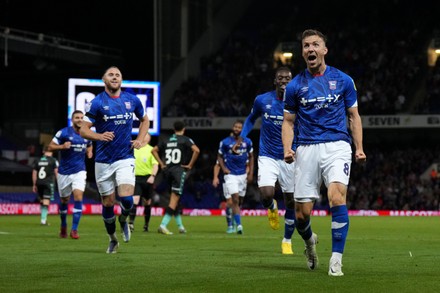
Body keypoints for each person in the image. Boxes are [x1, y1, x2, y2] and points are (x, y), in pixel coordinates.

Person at [282, 29, 366, 276]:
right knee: (301, 216)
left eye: (315, 44)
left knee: (337, 197)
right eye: (306, 45)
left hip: (337, 145)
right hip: (306, 148)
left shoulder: (343, 80)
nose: (310, 49)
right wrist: (288, 148)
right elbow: (288, 122)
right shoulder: (295, 85)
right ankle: (310, 242)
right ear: (302, 52)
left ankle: (336, 259)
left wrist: (359, 148)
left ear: (324, 50)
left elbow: (354, 116)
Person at [79, 66, 150, 253]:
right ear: (104, 79)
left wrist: (141, 139)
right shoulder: (97, 102)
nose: (115, 76)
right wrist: (99, 136)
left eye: (118, 74)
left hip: (125, 157)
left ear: (121, 79)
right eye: (111, 74)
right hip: (103, 160)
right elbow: (84, 129)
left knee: (127, 199)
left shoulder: (132, 99)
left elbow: (145, 120)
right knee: (108, 203)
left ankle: (123, 219)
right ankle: (112, 239)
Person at [240, 66, 297, 254]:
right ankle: (271, 206)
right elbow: (250, 118)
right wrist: (242, 136)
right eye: (280, 78)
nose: (284, 81)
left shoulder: (298, 101)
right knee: (265, 194)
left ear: (292, 80)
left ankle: (287, 240)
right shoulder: (262, 100)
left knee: (291, 202)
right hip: (267, 155)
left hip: (290, 156)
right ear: (275, 81)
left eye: (288, 78)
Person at [48, 110, 93, 239]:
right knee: (64, 200)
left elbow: (90, 144)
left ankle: (74, 229)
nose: (79, 119)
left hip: (80, 170)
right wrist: (62, 146)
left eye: (81, 117)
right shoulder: (63, 132)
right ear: (72, 119)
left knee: (78, 197)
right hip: (64, 172)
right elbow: (50, 147)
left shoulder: (86, 133)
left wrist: (90, 152)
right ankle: (63, 225)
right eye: (77, 117)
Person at [152, 120, 200, 235]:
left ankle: (180, 226)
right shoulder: (185, 139)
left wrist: (161, 164)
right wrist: (190, 165)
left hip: (167, 171)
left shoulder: (166, 140)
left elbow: (153, 150)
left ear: (174, 129)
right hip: (178, 171)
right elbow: (196, 150)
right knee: (174, 200)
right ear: (183, 129)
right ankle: (163, 225)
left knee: (175, 200)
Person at [217, 120, 254, 234]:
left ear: (243, 129)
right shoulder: (225, 142)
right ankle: (238, 225)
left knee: (239, 202)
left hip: (243, 175)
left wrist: (251, 173)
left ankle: (233, 221)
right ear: (233, 128)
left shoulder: (247, 141)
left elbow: (251, 157)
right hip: (230, 175)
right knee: (235, 199)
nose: (237, 129)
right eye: (236, 127)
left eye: (240, 127)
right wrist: (223, 169)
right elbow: (219, 156)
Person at [130, 132, 159, 232]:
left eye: (147, 136)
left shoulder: (151, 150)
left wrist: (153, 176)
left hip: (147, 178)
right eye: (144, 135)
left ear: (149, 139)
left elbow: (155, 165)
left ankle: (146, 225)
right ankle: (131, 223)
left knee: (147, 202)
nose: (145, 137)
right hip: (136, 178)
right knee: (135, 200)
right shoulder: (134, 148)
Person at [32, 146, 59, 226]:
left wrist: (34, 184)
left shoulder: (37, 160)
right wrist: (60, 183)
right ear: (52, 151)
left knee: (42, 201)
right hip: (48, 183)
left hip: (39, 183)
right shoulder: (54, 160)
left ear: (43, 151)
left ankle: (43, 217)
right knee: (46, 201)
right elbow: (56, 172)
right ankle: (43, 220)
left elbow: (34, 173)